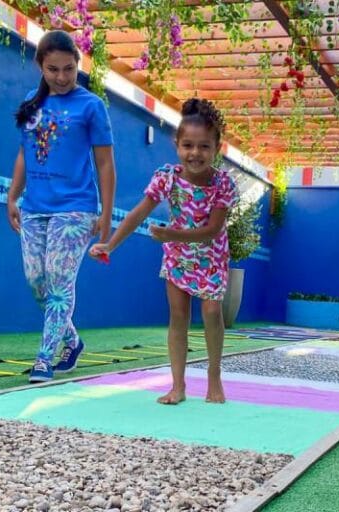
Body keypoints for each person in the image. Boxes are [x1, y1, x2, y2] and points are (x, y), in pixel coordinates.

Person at [89, 98, 238, 404]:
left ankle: (214, 374)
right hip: (179, 257)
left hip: (211, 255)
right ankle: (178, 385)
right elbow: (138, 214)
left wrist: (171, 234)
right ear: (176, 144)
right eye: (188, 145)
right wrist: (110, 244)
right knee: (178, 316)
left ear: (216, 148)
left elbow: (213, 229)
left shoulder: (223, 184)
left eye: (204, 146)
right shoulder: (167, 177)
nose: (195, 153)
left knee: (211, 312)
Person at [6, 30, 116, 383]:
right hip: (35, 207)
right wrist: (12, 196)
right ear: (40, 66)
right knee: (35, 280)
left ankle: (44, 358)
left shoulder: (91, 106)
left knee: (58, 280)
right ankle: (72, 340)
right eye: (53, 69)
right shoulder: (31, 103)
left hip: (76, 208)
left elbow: (105, 164)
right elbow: (24, 154)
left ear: (77, 65)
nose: (62, 77)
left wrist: (106, 214)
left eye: (69, 69)